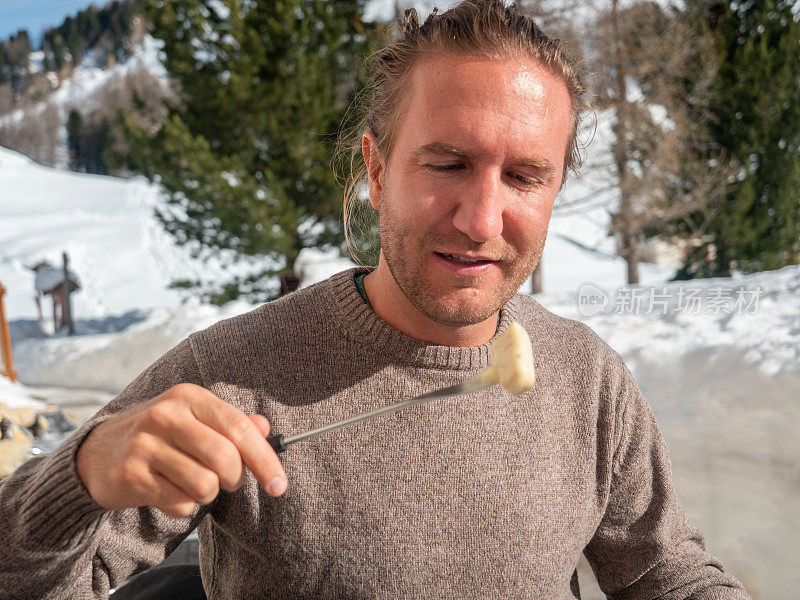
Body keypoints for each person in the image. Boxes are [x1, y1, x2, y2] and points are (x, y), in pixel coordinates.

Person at [0, 2, 752, 599]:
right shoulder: (229, 373)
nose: (483, 221)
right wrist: (81, 475)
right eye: (448, 163)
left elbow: (663, 575)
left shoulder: (588, 380)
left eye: (524, 176)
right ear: (378, 166)